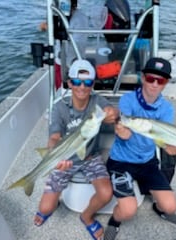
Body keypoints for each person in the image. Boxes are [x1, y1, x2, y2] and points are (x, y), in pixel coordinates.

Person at [34, 59, 119, 240]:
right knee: (45, 208)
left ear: (93, 84)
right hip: (64, 158)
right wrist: (55, 155)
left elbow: (111, 112)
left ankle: (86, 217)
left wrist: (112, 114)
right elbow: (54, 137)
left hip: (89, 157)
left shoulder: (97, 101)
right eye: (77, 81)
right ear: (69, 83)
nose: (82, 86)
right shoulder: (60, 107)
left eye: (87, 82)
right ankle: (51, 199)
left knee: (106, 193)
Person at [104, 57, 176, 240]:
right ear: (142, 78)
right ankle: (114, 222)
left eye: (161, 80)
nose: (155, 84)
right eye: (151, 78)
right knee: (128, 210)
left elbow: (163, 141)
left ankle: (158, 207)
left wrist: (171, 149)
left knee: (170, 206)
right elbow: (122, 125)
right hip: (120, 161)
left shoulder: (166, 109)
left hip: (147, 161)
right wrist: (120, 131)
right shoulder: (128, 99)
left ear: (165, 84)